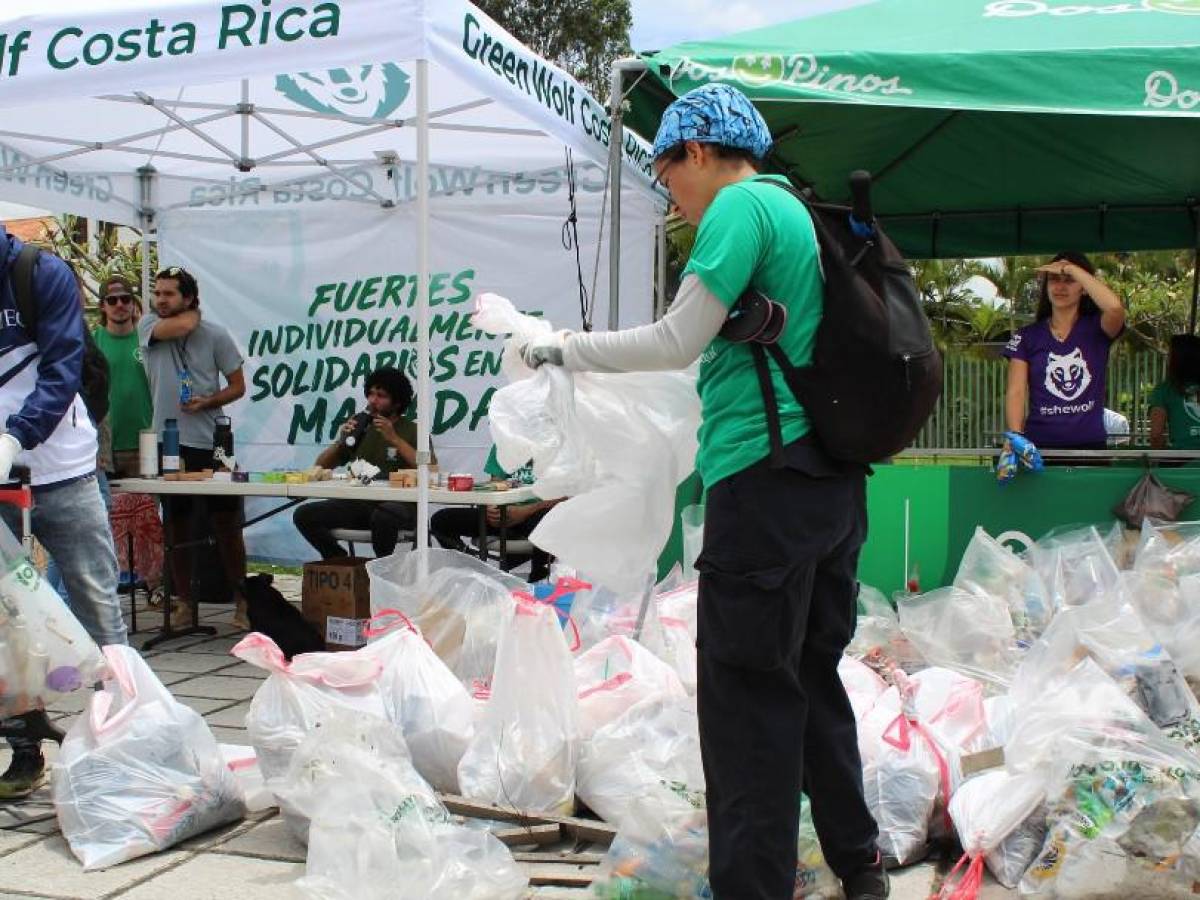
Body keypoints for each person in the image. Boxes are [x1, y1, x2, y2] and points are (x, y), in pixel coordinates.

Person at [520, 84, 887, 900]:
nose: (672, 197)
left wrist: (562, 349)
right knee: (811, 674)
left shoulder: (736, 209)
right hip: (831, 483)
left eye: (667, 172)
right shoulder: (797, 211)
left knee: (746, 696)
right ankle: (860, 867)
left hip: (765, 482)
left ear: (693, 151)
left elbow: (675, 338)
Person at [0, 229, 127, 800]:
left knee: (96, 597)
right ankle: (25, 745)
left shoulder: (36, 272)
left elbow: (63, 367)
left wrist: (16, 436)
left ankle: (125, 728)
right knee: (6, 620)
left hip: (64, 469)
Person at [138, 266, 248, 627]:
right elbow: (183, 326)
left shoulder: (215, 335)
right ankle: (185, 603)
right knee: (177, 527)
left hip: (213, 441)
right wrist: (191, 311)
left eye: (170, 294)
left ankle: (243, 603)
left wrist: (209, 401)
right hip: (169, 441)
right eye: (158, 292)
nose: (160, 300)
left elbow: (238, 386)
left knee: (227, 525)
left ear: (187, 297)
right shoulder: (150, 327)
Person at [293, 367, 433, 559]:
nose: (372, 401)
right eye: (371, 394)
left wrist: (395, 439)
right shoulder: (360, 426)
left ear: (398, 401)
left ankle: (381, 571)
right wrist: (340, 442)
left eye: (381, 396)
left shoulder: (413, 431)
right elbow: (322, 466)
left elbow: (432, 470)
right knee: (304, 515)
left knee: (384, 515)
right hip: (360, 504)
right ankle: (341, 562)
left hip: (400, 507)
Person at [1002, 252, 1125, 456]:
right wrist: (1015, 437)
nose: (1060, 287)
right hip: (1039, 448)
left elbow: (1115, 308)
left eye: (1069, 281)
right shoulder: (1026, 337)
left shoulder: (1097, 328)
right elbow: (1016, 391)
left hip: (1091, 448)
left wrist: (1071, 268)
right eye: (1054, 279)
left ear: (1084, 287)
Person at [429, 446, 555, 581]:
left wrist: (525, 511)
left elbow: (569, 495)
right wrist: (492, 506)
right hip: (506, 512)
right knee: (442, 520)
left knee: (550, 520)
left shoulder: (560, 441)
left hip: (537, 512)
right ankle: (472, 572)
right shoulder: (504, 439)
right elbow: (496, 483)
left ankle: (539, 582)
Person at [93, 276, 152, 478]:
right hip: (103, 448)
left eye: (126, 299)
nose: (120, 305)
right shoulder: (92, 343)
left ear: (133, 303)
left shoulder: (148, 341)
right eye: (112, 300)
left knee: (146, 509)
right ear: (102, 306)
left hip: (145, 445)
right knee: (108, 509)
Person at [1150, 334, 1200, 452]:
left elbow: (1156, 435)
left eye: (1170, 354)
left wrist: (1163, 459)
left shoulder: (1164, 390)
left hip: (1181, 462)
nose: (1168, 357)